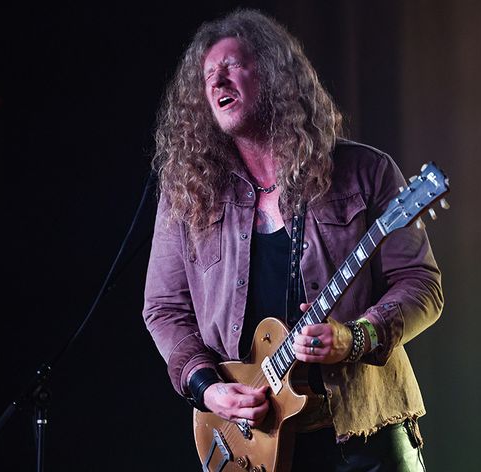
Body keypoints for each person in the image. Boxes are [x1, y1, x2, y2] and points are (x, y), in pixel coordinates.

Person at [142, 8, 442, 471]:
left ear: (274, 74)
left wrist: (355, 337)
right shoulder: (189, 194)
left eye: (233, 66)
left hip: (365, 430)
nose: (218, 81)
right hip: (256, 442)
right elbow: (164, 308)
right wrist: (207, 387)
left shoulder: (365, 171)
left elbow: (421, 285)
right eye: (208, 75)